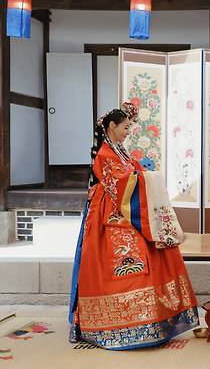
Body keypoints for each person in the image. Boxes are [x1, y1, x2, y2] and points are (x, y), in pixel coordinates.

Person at [69, 102, 198, 350]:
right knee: (129, 263)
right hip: (110, 217)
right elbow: (122, 184)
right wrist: (150, 179)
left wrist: (147, 177)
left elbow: (135, 174)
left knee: (157, 254)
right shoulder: (105, 154)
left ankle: (153, 323)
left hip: (126, 210)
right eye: (126, 127)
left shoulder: (120, 151)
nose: (129, 131)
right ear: (112, 126)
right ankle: (118, 326)